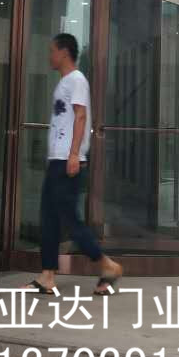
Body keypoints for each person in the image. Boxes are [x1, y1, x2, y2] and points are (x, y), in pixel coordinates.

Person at [30, 33, 122, 296]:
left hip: (67, 160)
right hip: (57, 159)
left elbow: (81, 116)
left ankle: (107, 265)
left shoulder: (77, 79)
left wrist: (73, 154)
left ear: (64, 52)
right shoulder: (64, 82)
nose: (49, 56)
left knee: (69, 219)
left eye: (52, 51)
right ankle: (48, 275)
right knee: (49, 218)